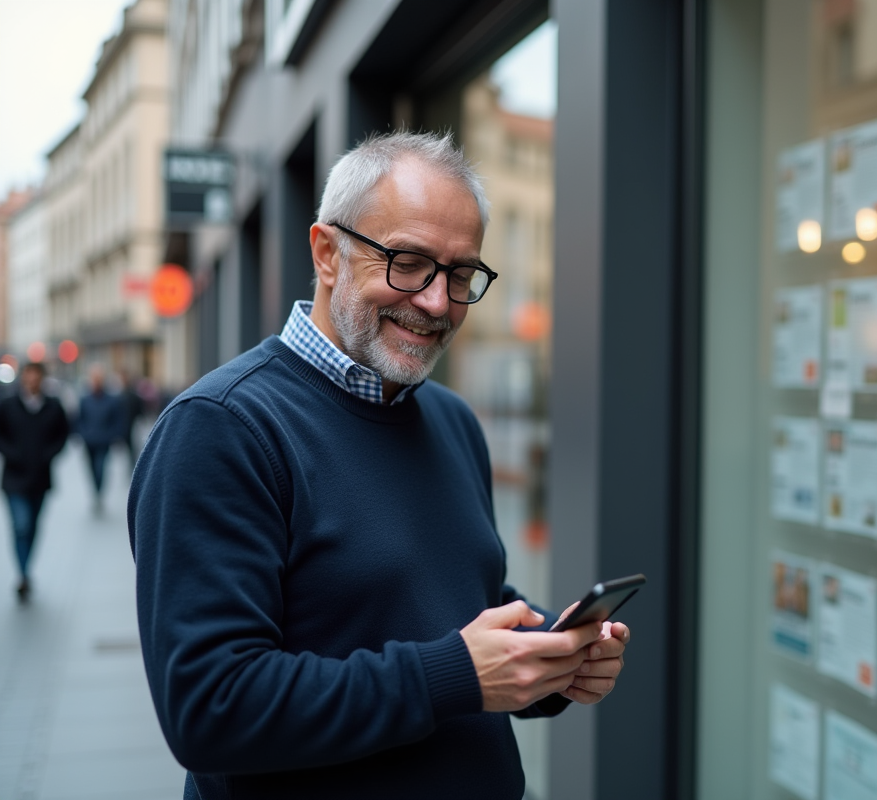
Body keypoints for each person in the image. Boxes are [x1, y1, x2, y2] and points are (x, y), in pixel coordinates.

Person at [129, 132, 630, 800]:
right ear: (327, 253)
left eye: (459, 274)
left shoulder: (450, 420)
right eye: (409, 261)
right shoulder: (222, 428)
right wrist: (455, 673)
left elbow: (454, 606)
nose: (436, 302)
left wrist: (549, 653)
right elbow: (211, 709)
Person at [0, 362, 70, 603]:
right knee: (21, 524)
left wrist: (48, 455)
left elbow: (64, 434)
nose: (31, 382)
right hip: (14, 477)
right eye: (27, 378)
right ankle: (23, 575)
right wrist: (12, 454)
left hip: (40, 477)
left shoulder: (53, 406)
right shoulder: (8, 405)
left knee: (33, 526)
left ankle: (26, 568)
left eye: (35, 378)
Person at [76, 364, 124, 514]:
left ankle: (99, 494)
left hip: (104, 441)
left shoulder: (112, 400)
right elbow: (79, 419)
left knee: (100, 468)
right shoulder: (85, 399)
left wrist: (113, 435)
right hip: (89, 442)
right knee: (91, 469)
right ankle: (95, 493)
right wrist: (82, 433)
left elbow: (118, 420)